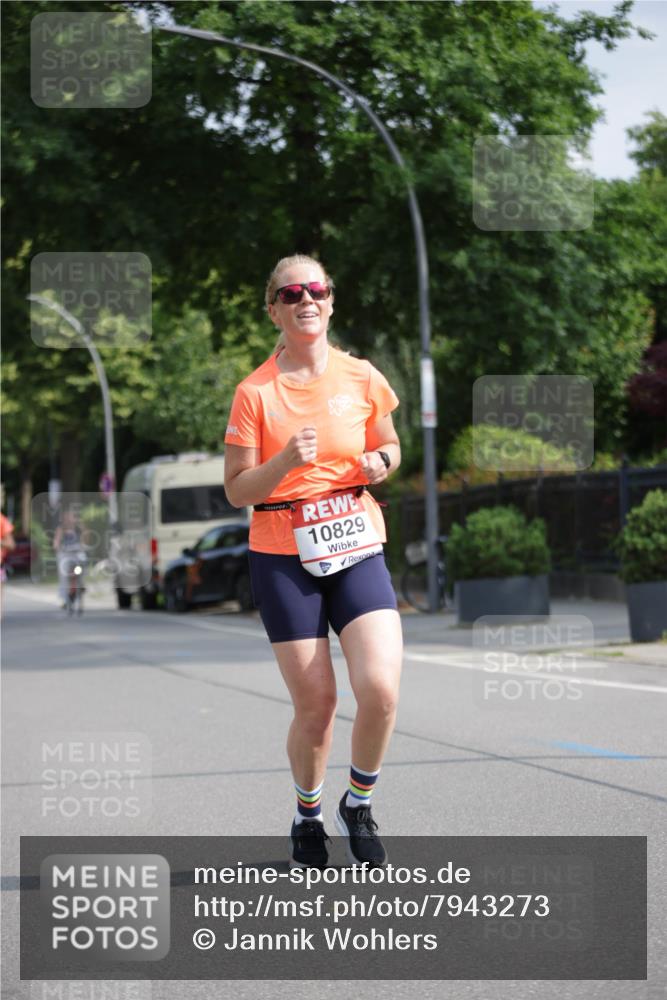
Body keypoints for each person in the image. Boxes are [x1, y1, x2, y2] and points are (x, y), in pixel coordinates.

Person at [224, 254, 403, 869]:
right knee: (317, 706)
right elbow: (237, 489)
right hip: (282, 552)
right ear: (272, 307)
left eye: (316, 289)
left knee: (379, 688)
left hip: (355, 541)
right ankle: (307, 816)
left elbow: (389, 443)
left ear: (330, 300)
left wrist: (384, 463)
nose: (306, 299)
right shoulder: (254, 393)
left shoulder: (361, 377)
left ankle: (359, 801)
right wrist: (282, 464)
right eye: (291, 292)